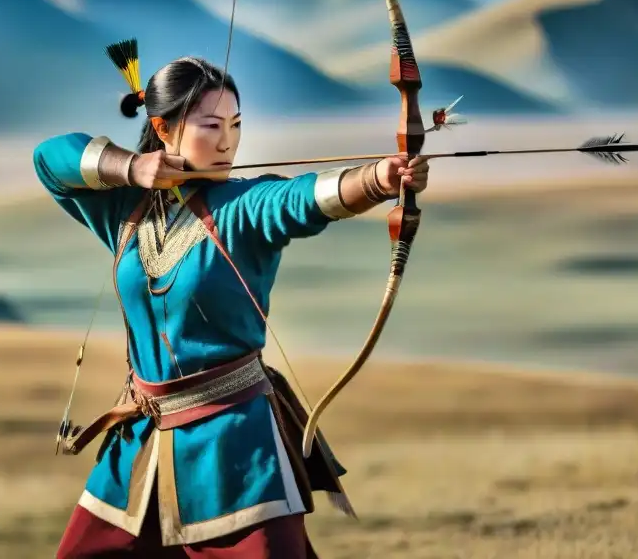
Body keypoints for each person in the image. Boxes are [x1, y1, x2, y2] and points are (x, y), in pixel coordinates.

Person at [33, 39, 430, 558]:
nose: (228, 142)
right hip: (140, 442)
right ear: (162, 128)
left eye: (236, 125)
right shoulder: (123, 212)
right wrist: (131, 168)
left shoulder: (244, 207)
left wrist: (379, 179)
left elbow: (300, 199)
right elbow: (49, 159)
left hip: (233, 446)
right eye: (211, 126)